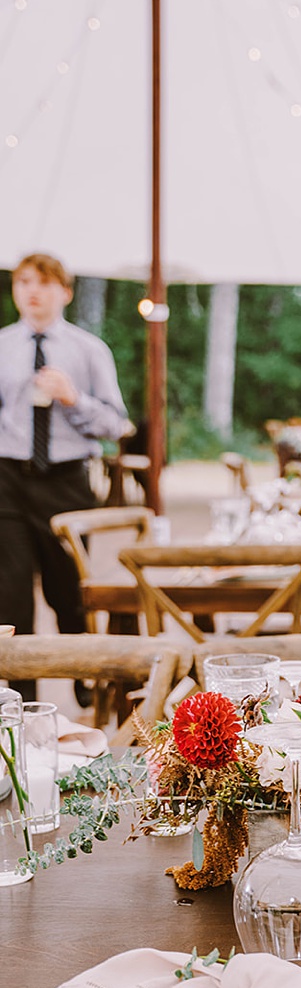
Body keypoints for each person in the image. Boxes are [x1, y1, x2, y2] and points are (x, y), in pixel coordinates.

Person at [0, 253, 132, 674]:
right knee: (11, 594)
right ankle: (18, 703)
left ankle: (82, 675)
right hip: (8, 481)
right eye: (23, 282)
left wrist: (73, 397)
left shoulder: (89, 350)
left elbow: (116, 424)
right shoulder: (1, 346)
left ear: (65, 292)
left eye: (42, 283)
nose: (32, 291)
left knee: (69, 591)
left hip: (66, 481)